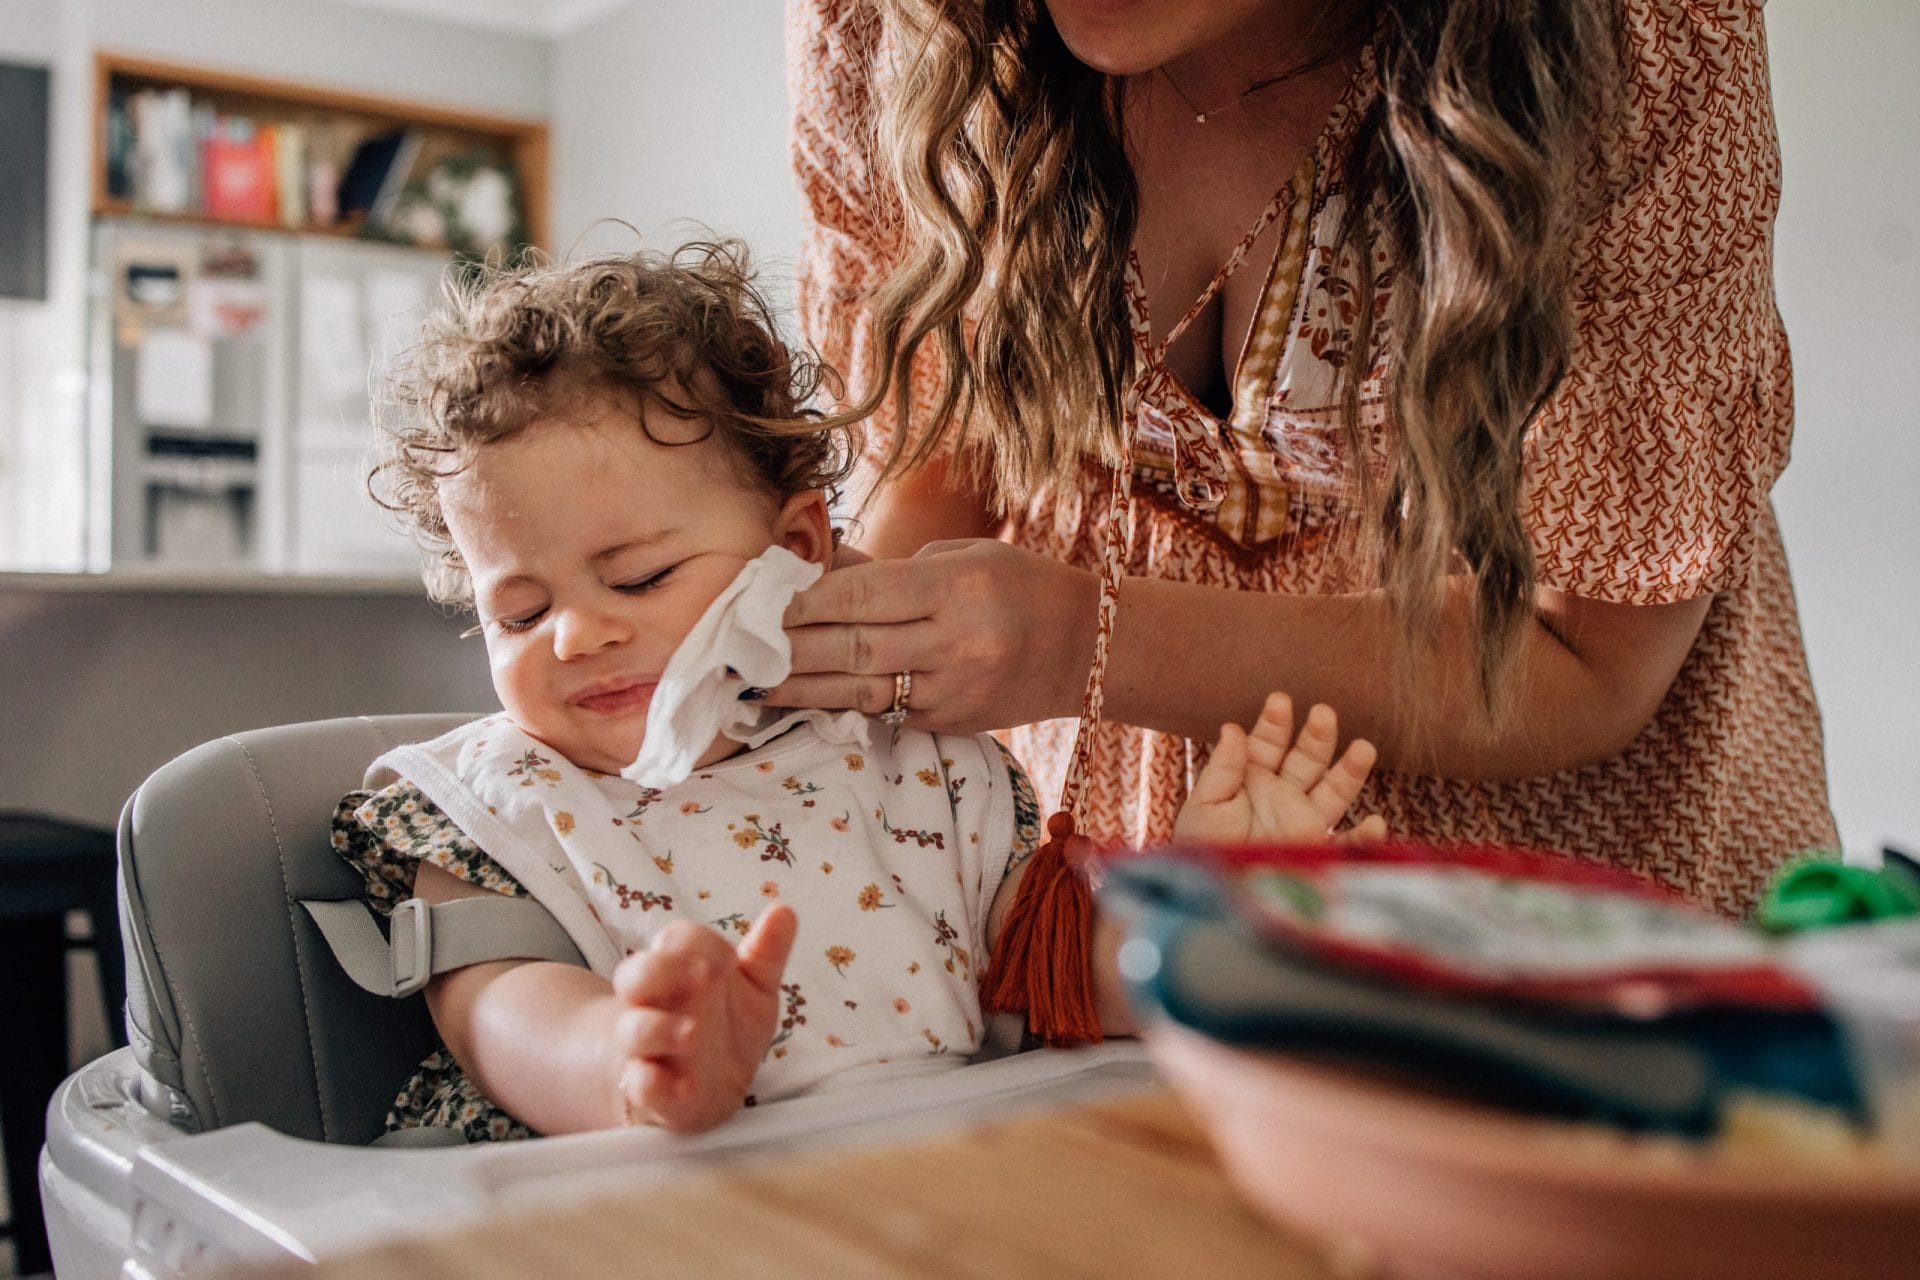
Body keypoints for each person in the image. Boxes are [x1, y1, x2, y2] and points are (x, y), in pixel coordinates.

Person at [776, 0, 1838, 919]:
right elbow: (943, 474)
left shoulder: (1634, 39)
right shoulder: (907, 26)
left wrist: (1081, 639)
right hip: (1106, 902)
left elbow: (1590, 660)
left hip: (1559, 911)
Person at [334, 242, 1384, 1140]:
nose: (577, 632)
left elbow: (1053, 985)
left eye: (643, 577)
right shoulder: (498, 803)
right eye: (519, 613)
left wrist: (1194, 910)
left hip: (914, 1199)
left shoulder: (910, 753)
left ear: (792, 549)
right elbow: (496, 1012)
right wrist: (632, 1057)